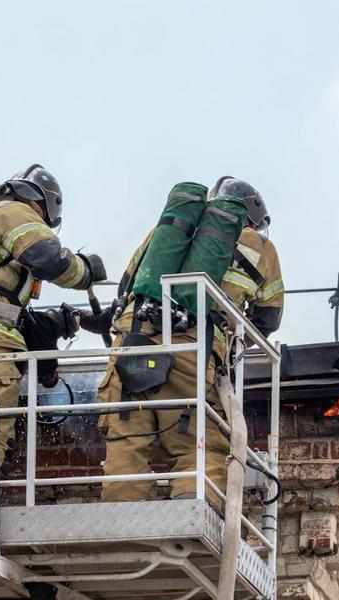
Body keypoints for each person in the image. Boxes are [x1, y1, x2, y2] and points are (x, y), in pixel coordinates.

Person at [80, 176, 283, 506]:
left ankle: (124, 513)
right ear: (253, 218)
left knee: (127, 442)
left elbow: (126, 288)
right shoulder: (261, 247)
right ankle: (192, 508)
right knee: (196, 446)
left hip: (134, 339)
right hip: (195, 347)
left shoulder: (165, 234)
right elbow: (268, 318)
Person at [0, 164, 106, 483]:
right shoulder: (14, 212)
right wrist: (86, 269)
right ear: (43, 203)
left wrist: (68, 322)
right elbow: (49, 259)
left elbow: (26, 319)